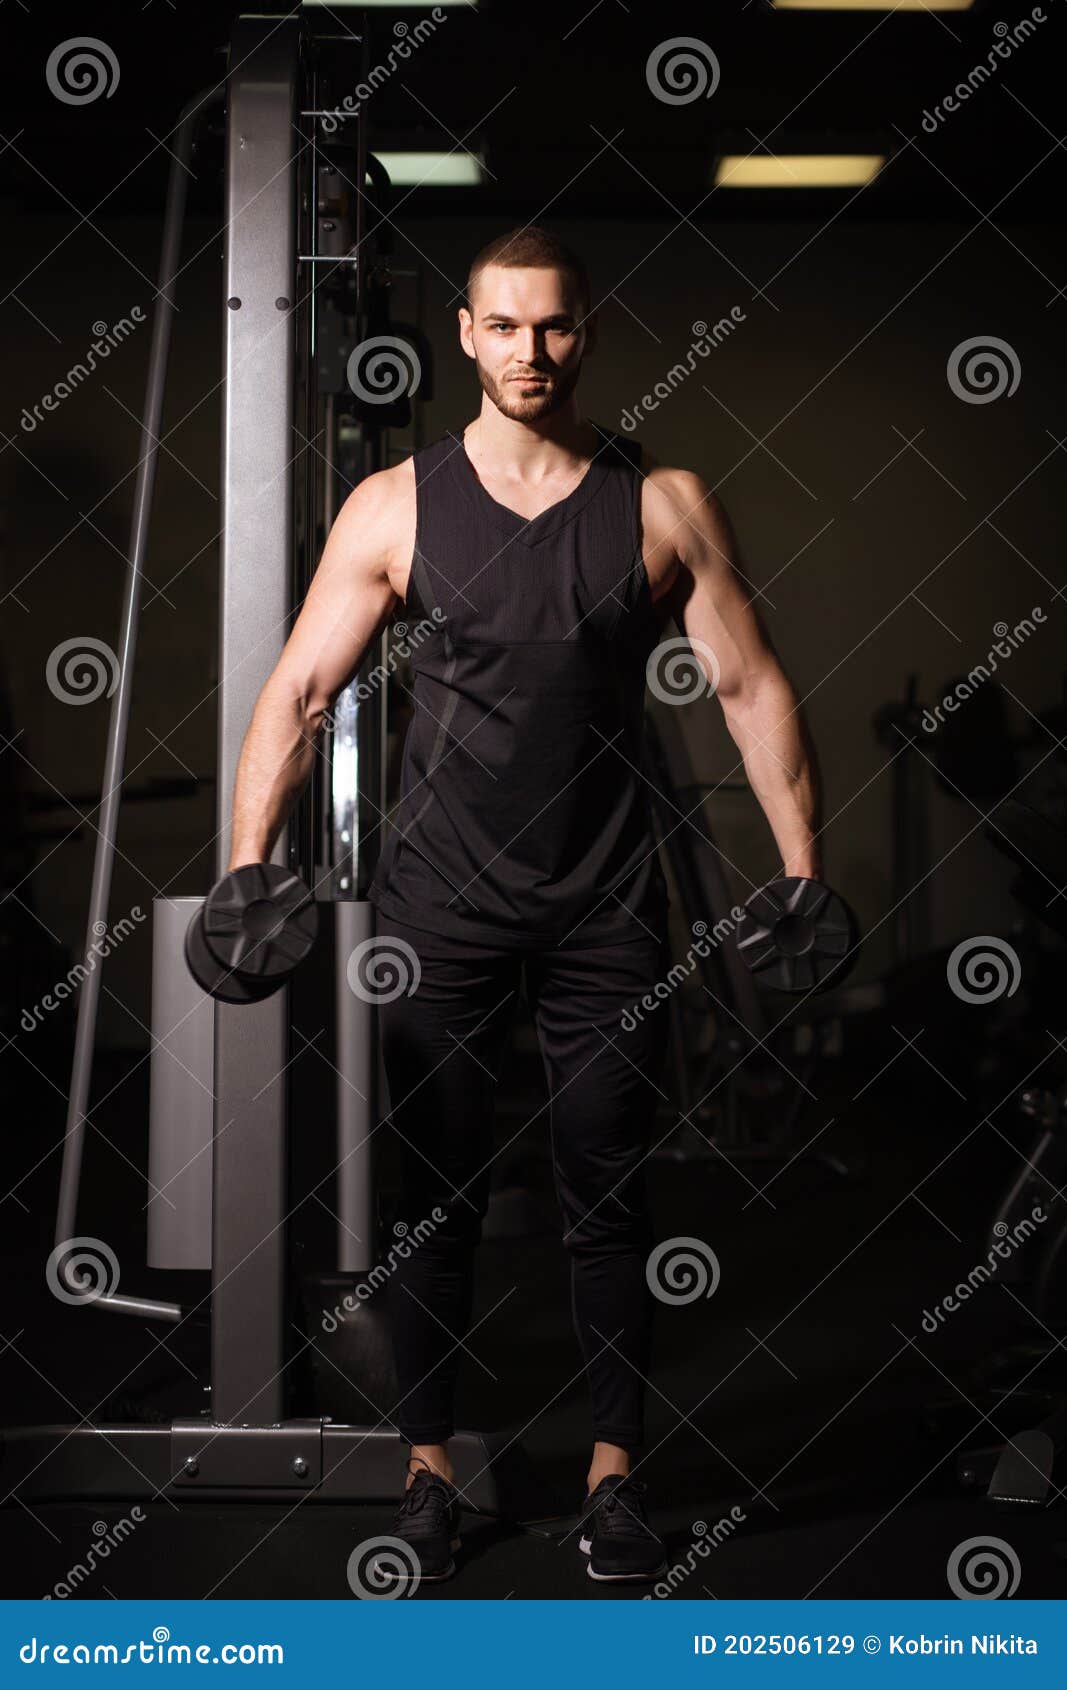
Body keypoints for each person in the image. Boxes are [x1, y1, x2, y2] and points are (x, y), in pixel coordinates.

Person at [225, 225, 822, 1584]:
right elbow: (301, 691)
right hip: (443, 908)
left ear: (587, 331)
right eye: (506, 327)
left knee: (606, 1186)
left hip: (607, 906)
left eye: (554, 327)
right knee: (434, 1194)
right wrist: (249, 867)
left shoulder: (661, 501)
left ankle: (616, 1476)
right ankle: (428, 1470)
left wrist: (799, 872)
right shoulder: (397, 506)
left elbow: (749, 685)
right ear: (466, 335)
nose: (532, 352)